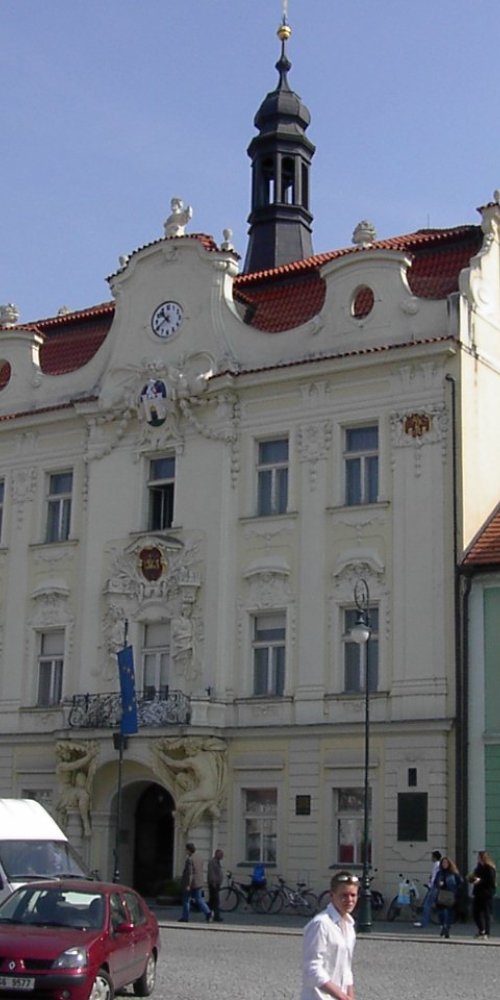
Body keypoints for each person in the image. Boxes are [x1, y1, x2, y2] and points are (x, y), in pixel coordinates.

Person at [302, 871, 359, 1000]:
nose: (349, 900)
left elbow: (346, 968)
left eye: (353, 895)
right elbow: (312, 969)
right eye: (344, 895)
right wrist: (341, 996)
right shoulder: (321, 924)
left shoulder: (349, 925)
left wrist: (350, 996)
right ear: (332, 896)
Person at [178, 842, 212, 923]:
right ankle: (208, 912)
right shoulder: (199, 857)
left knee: (186, 900)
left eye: (186, 849)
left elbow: (190, 873)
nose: (185, 851)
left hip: (191, 883)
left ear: (189, 850)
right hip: (199, 881)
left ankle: (185, 917)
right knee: (199, 899)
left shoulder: (190, 859)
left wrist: (188, 885)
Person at [469, 850, 496, 940]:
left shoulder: (489, 868)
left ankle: (487, 933)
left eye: (480, 857)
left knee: (486, 914)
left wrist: (480, 881)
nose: (479, 859)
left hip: (487, 894)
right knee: (475, 913)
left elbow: (491, 881)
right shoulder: (478, 867)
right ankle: (481, 930)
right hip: (478, 893)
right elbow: (473, 876)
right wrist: (471, 878)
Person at [435, 856, 462, 939]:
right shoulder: (439, 873)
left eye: (446, 863)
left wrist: (455, 890)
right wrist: (438, 884)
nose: (444, 864)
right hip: (441, 895)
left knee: (448, 913)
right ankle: (443, 926)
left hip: (450, 895)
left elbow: (460, 882)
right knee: (441, 913)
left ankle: (447, 928)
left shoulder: (453, 873)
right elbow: (435, 883)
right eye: (443, 863)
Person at [414, 849, 441, 927]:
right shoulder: (438, 864)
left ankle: (424, 922)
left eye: (432, 856)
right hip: (436, 887)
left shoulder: (436, 865)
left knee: (427, 905)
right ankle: (443, 921)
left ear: (435, 857)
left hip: (434, 887)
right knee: (438, 905)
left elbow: (434, 877)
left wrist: (430, 885)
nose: (431, 858)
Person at [207, 848, 224, 923]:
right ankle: (216, 916)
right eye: (221, 854)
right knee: (215, 901)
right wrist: (213, 882)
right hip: (213, 884)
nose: (222, 856)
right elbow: (211, 873)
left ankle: (209, 914)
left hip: (217, 884)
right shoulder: (212, 862)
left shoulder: (217, 862)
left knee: (212, 901)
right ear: (216, 854)